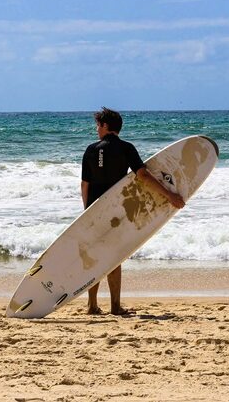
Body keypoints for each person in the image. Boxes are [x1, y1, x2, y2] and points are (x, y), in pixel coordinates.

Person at [81, 107, 185, 315]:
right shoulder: (126, 148)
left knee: (96, 256)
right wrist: (170, 195)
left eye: (98, 125)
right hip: (115, 211)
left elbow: (85, 184)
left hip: (94, 211)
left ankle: (92, 305)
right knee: (114, 258)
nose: (96, 129)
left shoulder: (91, 150)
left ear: (105, 126)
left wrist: (87, 212)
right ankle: (115, 306)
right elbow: (143, 176)